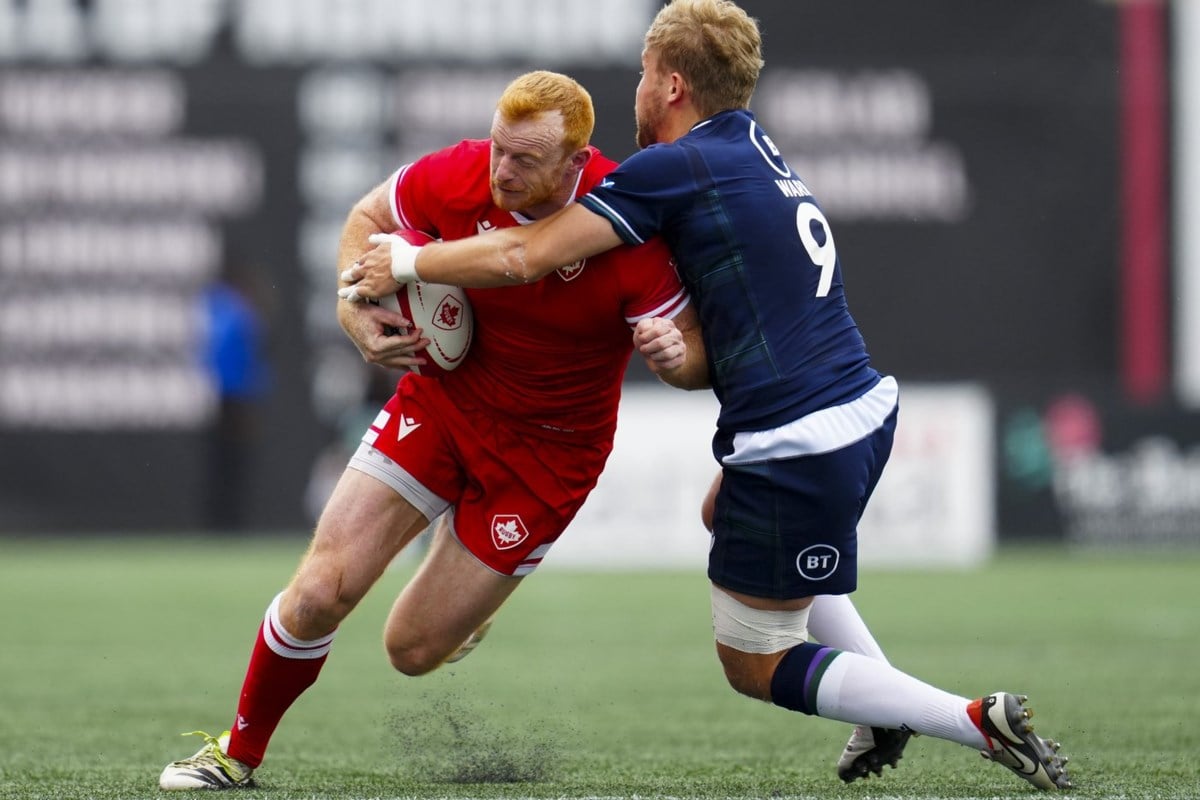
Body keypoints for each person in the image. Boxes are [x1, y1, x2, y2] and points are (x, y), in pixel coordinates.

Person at [339, 1, 1073, 791]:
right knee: (717, 514)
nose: (640, 90)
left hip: (797, 437)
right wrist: (680, 348)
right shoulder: (752, 146)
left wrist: (409, 265)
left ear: (673, 83)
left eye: (648, 74)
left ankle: (968, 720)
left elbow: (525, 254)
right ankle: (879, 704)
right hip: (858, 408)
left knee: (756, 661)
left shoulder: (672, 166)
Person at [158, 70, 704, 791]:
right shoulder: (459, 173)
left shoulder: (627, 223)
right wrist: (354, 311)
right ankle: (237, 753)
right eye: (498, 150)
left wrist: (676, 357)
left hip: (550, 454)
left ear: (575, 162)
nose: (500, 172)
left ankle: (460, 568)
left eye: (524, 161)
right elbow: (365, 218)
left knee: (411, 650)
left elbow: (696, 359)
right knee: (321, 590)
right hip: (445, 403)